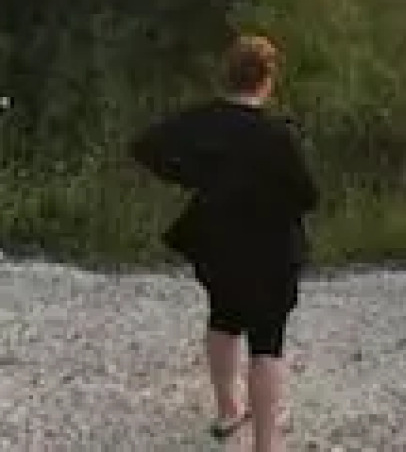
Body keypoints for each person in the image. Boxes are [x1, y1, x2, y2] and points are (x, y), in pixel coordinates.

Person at [129, 34, 320, 451]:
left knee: (223, 317)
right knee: (267, 342)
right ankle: (265, 444)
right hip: (271, 247)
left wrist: (191, 177)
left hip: (215, 239)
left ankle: (228, 411)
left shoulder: (201, 120)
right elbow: (308, 196)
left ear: (227, 74)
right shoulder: (277, 134)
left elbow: (144, 147)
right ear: (267, 79)